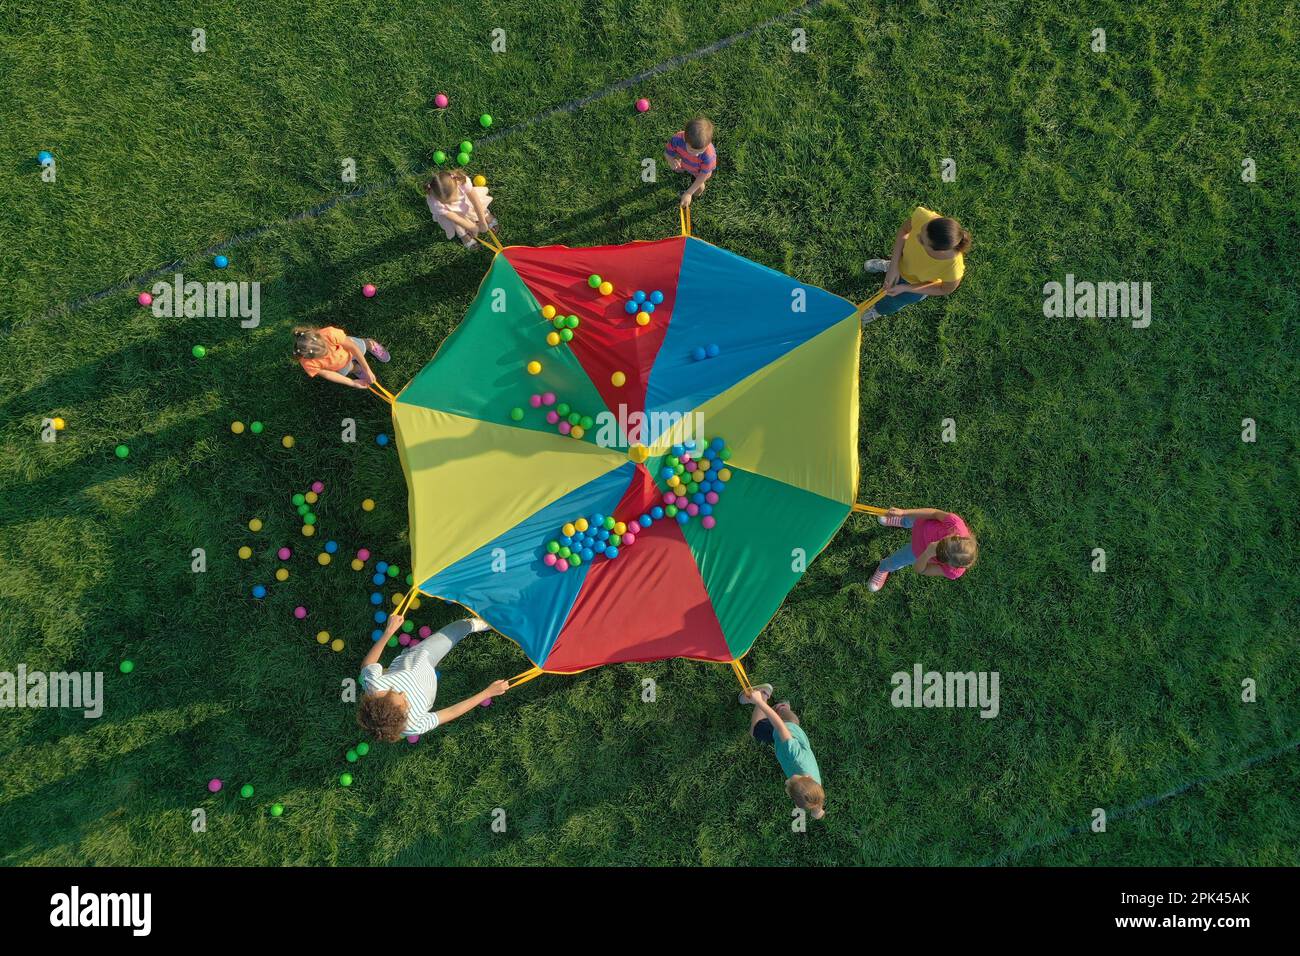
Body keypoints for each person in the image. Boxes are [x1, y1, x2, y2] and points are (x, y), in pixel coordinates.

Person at [357, 613, 509, 742]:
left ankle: (476, 625)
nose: (404, 694)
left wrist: (388, 632)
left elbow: (367, 664)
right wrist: (487, 693)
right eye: (405, 704)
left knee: (459, 627)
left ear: (378, 696)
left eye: (395, 692)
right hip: (428, 683)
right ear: (403, 719)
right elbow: (451, 712)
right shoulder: (413, 725)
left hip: (419, 657)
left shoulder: (374, 686)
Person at [862, 208, 970, 323]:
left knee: (892, 302)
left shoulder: (953, 268)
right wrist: (894, 266)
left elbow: (944, 289)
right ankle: (888, 266)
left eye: (922, 241)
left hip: (915, 286)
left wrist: (905, 288)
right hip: (901, 262)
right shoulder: (924, 217)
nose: (917, 237)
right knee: (895, 270)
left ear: (938, 252)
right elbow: (904, 230)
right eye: (921, 232)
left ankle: (878, 311)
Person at [742, 684, 825, 819]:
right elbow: (779, 726)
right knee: (755, 730)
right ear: (807, 778)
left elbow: (817, 801)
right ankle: (762, 694)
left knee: (793, 720)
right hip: (782, 730)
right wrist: (759, 702)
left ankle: (782, 708)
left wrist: (817, 812)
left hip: (794, 731)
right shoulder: (793, 755)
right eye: (790, 782)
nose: (787, 783)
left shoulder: (816, 789)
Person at [869, 506, 978, 592]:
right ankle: (902, 521)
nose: (934, 544)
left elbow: (920, 569)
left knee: (896, 561)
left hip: (916, 551)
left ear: (949, 563)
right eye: (942, 541)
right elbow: (934, 513)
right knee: (910, 519)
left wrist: (927, 554)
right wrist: (903, 512)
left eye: (938, 552)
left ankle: (883, 567)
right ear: (956, 536)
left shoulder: (953, 571)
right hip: (922, 523)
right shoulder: (955, 524)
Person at [293, 325, 389, 390]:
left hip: (350, 349)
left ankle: (370, 344)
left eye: (328, 349)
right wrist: (352, 382)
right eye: (323, 356)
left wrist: (367, 369)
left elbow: (353, 347)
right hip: (338, 364)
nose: (328, 354)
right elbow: (328, 374)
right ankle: (356, 369)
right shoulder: (307, 363)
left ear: (320, 337)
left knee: (362, 347)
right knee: (345, 370)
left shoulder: (330, 333)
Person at [424, 170, 497, 247]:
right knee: (454, 223)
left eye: (451, 200)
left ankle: (485, 214)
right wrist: (472, 227)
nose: (450, 204)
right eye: (447, 202)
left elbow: (475, 201)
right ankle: (463, 234)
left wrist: (482, 221)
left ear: (457, 184)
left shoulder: (462, 182)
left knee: (475, 205)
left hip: (464, 202)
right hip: (451, 214)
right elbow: (456, 218)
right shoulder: (435, 202)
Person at [664, 117, 717, 208]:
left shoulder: (709, 156)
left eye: (700, 151)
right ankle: (684, 170)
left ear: (708, 144)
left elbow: (702, 176)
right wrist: (671, 160)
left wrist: (689, 193)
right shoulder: (677, 139)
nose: (696, 155)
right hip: (685, 162)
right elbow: (667, 153)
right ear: (684, 139)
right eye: (692, 150)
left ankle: (696, 195)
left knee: (699, 187)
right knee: (678, 168)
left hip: (699, 172)